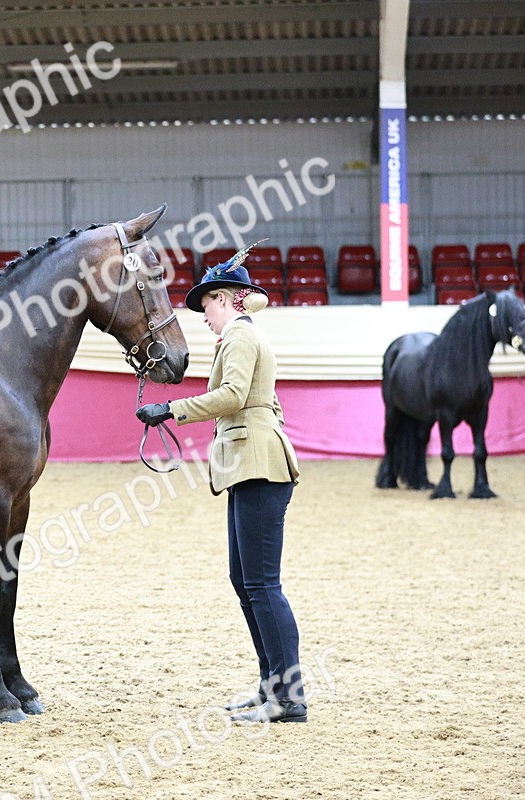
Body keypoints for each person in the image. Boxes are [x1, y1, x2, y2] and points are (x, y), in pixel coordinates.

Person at [136, 244, 306, 724]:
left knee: (262, 584)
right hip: (248, 464)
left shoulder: (239, 337)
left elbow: (232, 396)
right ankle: (272, 685)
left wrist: (170, 409)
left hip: (257, 465)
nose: (203, 315)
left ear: (229, 298)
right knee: (247, 580)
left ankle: (288, 698)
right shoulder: (240, 336)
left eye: (207, 304)